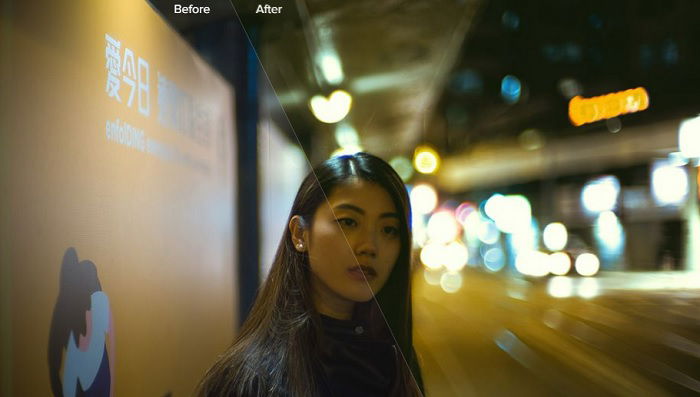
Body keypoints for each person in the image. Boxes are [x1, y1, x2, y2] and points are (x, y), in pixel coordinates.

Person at [196, 152, 425, 396]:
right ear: (299, 234)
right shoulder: (253, 378)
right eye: (348, 222)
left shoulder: (396, 364)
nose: (369, 245)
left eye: (389, 229)